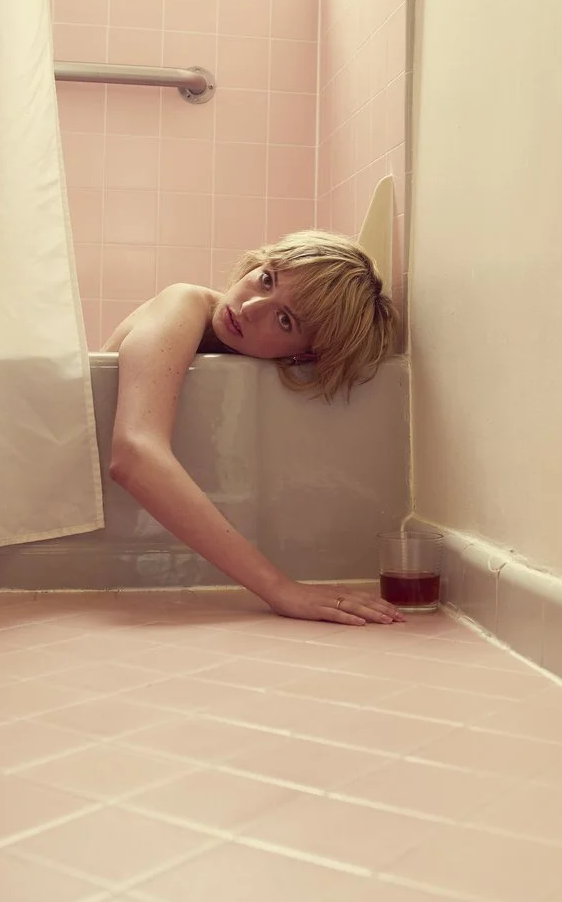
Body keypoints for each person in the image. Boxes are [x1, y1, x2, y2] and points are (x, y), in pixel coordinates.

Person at [102, 230, 405, 627]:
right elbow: (134, 455)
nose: (250, 307)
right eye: (267, 279)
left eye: (284, 320)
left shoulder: (247, 360)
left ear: (304, 355)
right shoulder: (182, 302)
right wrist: (281, 588)